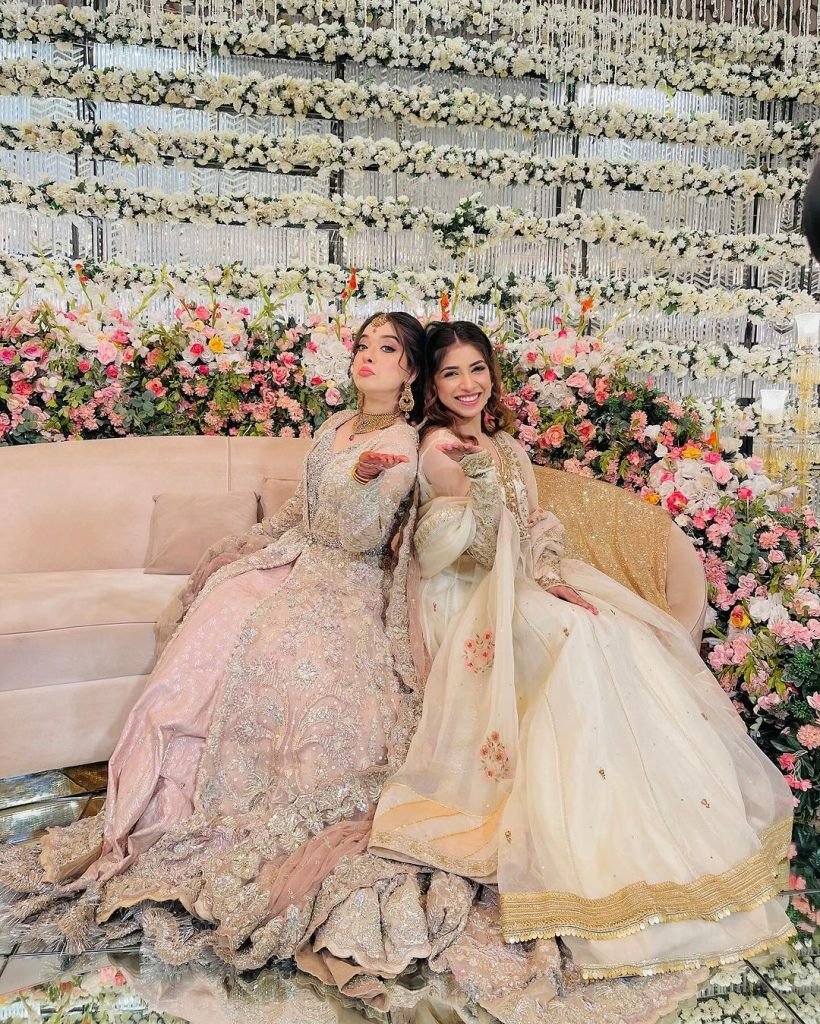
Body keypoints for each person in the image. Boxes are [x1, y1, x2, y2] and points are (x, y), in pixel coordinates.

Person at [366, 319, 795, 983]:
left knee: (619, 629)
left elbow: (535, 526)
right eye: (451, 373)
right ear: (433, 386)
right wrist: (479, 490)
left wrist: (549, 574)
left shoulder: (505, 445)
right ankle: (597, 855)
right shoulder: (439, 447)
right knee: (578, 637)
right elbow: (455, 547)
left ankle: (660, 828)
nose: (468, 384)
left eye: (477, 369)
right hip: (468, 596)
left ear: (492, 375)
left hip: (524, 581)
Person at [0, 311, 425, 971]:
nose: (368, 356)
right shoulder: (337, 425)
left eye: (387, 348)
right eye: (363, 344)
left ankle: (230, 808)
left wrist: (367, 484)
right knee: (220, 604)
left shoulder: (400, 443)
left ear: (411, 370)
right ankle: (151, 797)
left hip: (345, 581)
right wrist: (249, 545)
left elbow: (361, 537)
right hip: (295, 558)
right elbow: (303, 511)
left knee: (275, 646)